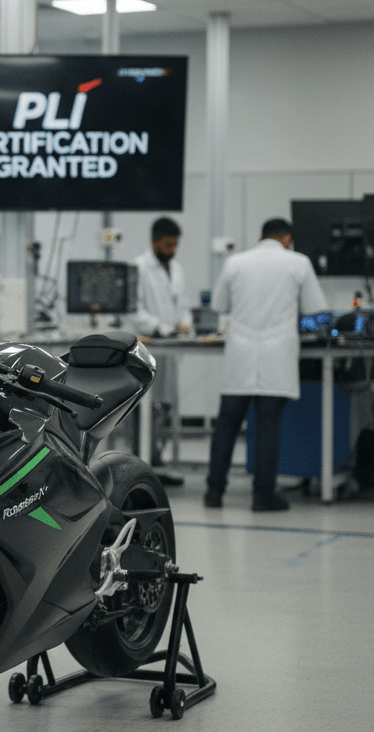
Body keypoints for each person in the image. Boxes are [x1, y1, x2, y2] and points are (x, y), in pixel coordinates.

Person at [205, 217, 327, 511]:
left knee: (227, 425)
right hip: (277, 354)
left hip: (240, 354)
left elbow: (218, 306)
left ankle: (214, 493)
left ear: (262, 236)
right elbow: (316, 310)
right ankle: (262, 495)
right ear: (286, 238)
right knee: (267, 426)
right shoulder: (298, 263)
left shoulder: (235, 263)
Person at [133, 217, 192, 486]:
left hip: (169, 346)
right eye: (168, 245)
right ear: (155, 241)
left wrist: (185, 324)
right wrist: (160, 327)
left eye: (175, 245)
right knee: (142, 407)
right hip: (147, 346)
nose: (172, 250)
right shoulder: (139, 267)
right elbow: (134, 309)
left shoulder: (177, 269)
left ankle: (156, 460)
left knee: (163, 406)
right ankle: (143, 462)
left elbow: (183, 304)